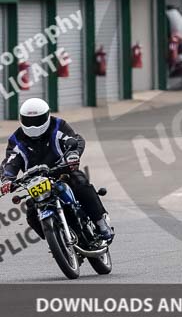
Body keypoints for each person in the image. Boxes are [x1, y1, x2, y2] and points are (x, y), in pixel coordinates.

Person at [0, 98, 113, 242]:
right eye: (29, 121)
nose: (33, 125)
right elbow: (11, 161)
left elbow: (75, 139)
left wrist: (73, 154)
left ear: (47, 116)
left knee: (81, 184)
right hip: (35, 180)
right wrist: (7, 179)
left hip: (62, 171)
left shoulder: (58, 125)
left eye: (38, 120)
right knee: (32, 212)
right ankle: (57, 242)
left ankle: (101, 223)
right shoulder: (16, 139)